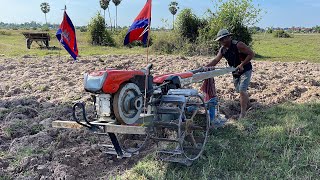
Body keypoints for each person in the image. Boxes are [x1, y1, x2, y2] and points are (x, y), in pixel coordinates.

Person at [206, 29, 255, 119]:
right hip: (235, 71)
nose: (222, 41)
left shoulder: (238, 45)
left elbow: (251, 54)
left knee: (242, 90)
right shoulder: (223, 50)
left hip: (245, 69)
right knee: (238, 90)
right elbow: (216, 60)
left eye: (224, 39)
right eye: (220, 40)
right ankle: (248, 104)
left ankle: (243, 114)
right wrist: (206, 67)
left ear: (229, 37)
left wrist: (242, 64)